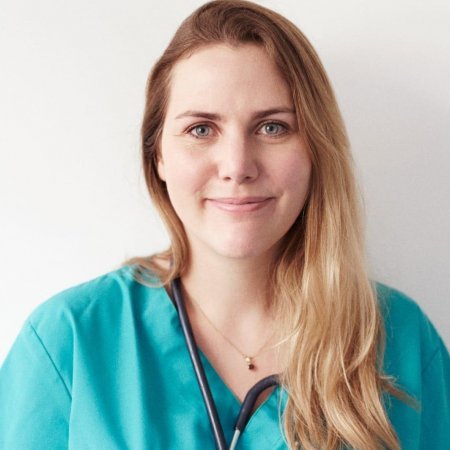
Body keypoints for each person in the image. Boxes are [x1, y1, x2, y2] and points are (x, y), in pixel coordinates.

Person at [1, 1, 449, 449]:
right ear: (158, 155)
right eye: (201, 129)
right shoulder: (69, 342)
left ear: (317, 149)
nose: (237, 166)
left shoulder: (402, 341)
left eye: (272, 127)